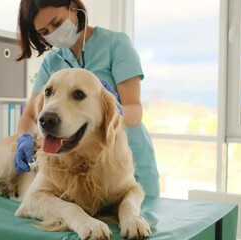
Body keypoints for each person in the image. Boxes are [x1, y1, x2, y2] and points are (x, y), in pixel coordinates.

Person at [14, 0, 160, 197]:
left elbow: (134, 111)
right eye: (44, 32)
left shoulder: (115, 44)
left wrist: (110, 108)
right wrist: (24, 138)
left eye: (56, 24)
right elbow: (31, 116)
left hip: (123, 162)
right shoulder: (52, 62)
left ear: (74, 8)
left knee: (135, 222)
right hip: (78, 169)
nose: (52, 33)